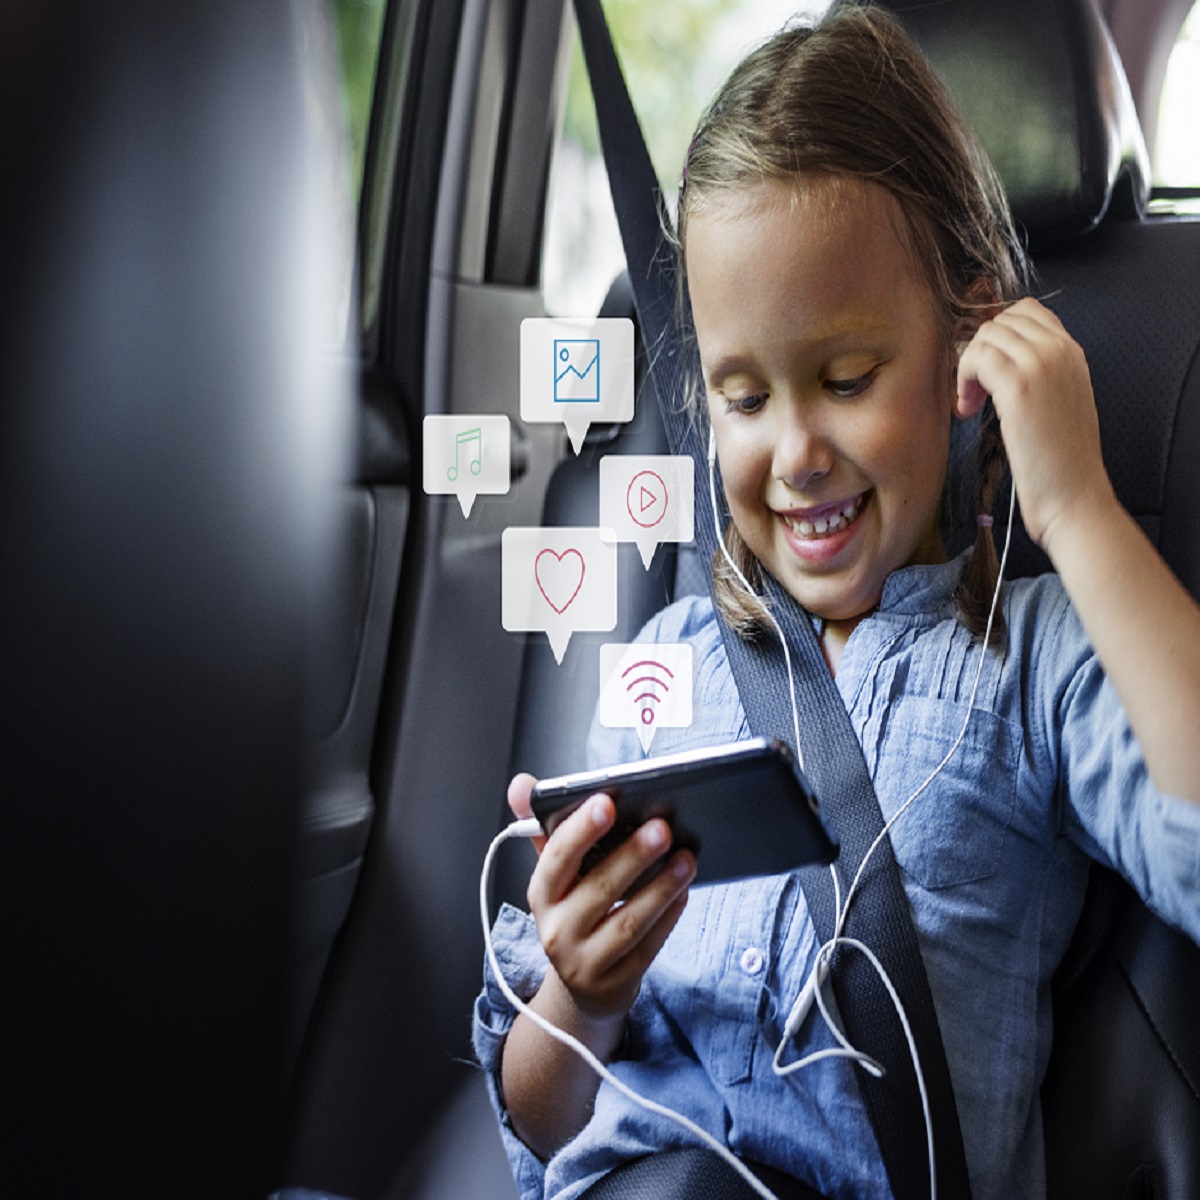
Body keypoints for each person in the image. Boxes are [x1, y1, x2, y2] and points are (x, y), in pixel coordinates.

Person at [473, 6, 1200, 1199]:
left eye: (847, 379)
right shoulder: (663, 675)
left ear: (969, 337)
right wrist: (580, 993)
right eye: (743, 398)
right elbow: (538, 1126)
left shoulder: (1029, 665)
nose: (796, 451)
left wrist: (1078, 509)